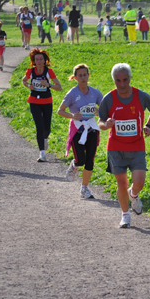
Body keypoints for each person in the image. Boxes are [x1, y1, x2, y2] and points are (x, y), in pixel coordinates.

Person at [97, 63, 150, 228]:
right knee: (122, 184)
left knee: (139, 182)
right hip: (116, 147)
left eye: (125, 80)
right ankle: (125, 215)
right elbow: (100, 121)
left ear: (130, 78)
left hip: (137, 145)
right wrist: (106, 125)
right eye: (118, 80)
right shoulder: (109, 98)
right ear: (114, 80)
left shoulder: (140, 96)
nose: (122, 84)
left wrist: (148, 125)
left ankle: (134, 194)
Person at [58, 64, 103, 199]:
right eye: (80, 75)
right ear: (75, 77)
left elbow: (105, 109)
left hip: (92, 128)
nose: (83, 78)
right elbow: (60, 110)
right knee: (81, 160)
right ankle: (74, 165)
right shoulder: (72, 93)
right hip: (78, 129)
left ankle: (84, 189)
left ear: (88, 76)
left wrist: (98, 111)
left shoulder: (95, 93)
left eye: (85, 75)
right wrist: (72, 116)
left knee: (90, 161)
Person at [21, 49, 62, 162]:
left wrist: (48, 85)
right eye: (36, 59)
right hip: (34, 101)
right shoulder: (30, 71)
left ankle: (45, 139)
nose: (39, 61)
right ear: (34, 61)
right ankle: (42, 154)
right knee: (39, 126)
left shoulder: (49, 72)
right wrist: (28, 85)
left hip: (47, 101)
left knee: (46, 129)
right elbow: (23, 81)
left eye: (41, 59)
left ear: (45, 61)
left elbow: (59, 87)